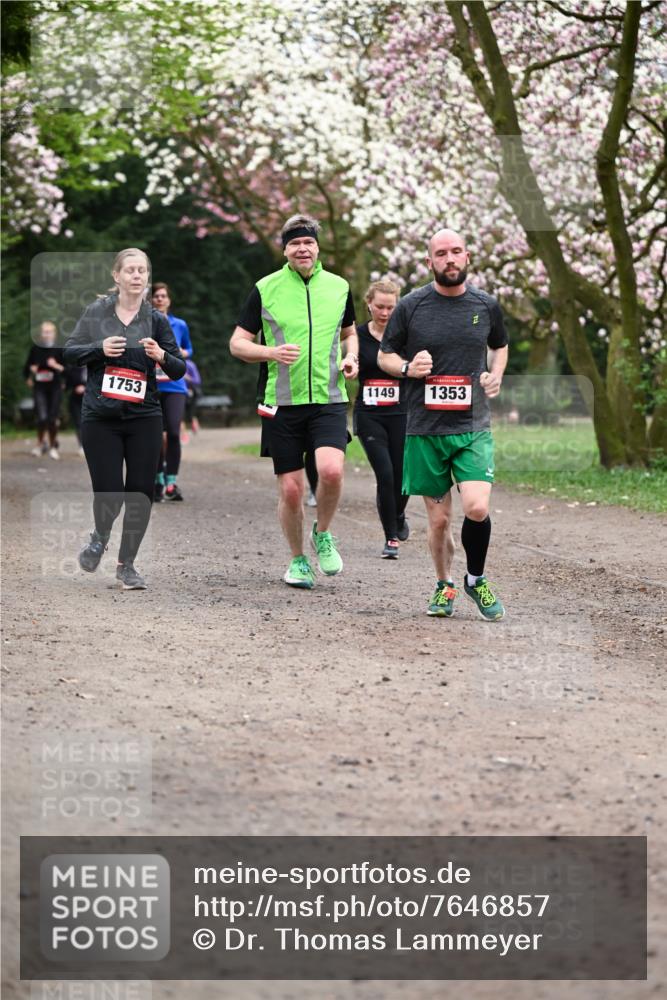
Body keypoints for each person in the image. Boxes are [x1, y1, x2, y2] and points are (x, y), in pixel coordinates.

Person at [379, 228, 508, 620]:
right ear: (430, 261)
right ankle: (444, 584)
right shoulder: (412, 305)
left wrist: (495, 374)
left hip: (472, 427)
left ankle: (475, 578)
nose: (449, 259)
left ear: (467, 256)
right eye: (441, 253)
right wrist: (406, 367)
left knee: (477, 508)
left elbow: (499, 345)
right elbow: (385, 355)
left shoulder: (486, 305)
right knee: (438, 521)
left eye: (456, 252)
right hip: (425, 430)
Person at [230, 213, 358, 589]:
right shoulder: (265, 288)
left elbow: (350, 334)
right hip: (281, 402)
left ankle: (324, 532)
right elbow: (237, 343)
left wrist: (351, 358)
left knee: (332, 471)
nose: (302, 249)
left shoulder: (339, 287)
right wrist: (270, 353)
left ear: (317, 247)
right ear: (285, 249)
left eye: (308, 243)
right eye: (295, 243)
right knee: (291, 488)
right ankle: (298, 560)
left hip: (329, 397)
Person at [64, 248, 186, 590]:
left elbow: (179, 368)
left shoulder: (157, 320)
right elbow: (70, 354)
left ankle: (126, 564)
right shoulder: (96, 313)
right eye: (130, 270)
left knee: (141, 493)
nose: (136, 275)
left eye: (142, 270)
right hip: (100, 417)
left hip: (144, 416)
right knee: (110, 493)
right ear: (116, 276)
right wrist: (99, 349)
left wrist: (161, 355)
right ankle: (99, 536)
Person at [354, 279, 411, 558]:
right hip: (369, 415)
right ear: (368, 304)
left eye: (391, 307)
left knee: (402, 477)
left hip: (402, 414)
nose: (385, 313)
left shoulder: (405, 336)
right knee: (385, 474)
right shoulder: (356, 335)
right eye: (380, 306)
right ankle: (391, 539)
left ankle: (398, 514)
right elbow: (348, 360)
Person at [150, 282, 193, 501]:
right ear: (151, 300)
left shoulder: (180, 324)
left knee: (174, 433)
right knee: (155, 435)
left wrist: (182, 353)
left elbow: (190, 348)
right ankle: (157, 480)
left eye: (163, 296)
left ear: (169, 300)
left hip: (175, 385)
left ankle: (171, 482)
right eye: (156, 296)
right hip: (152, 385)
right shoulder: (145, 324)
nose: (159, 299)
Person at [24, 321, 64, 459]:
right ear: (41, 334)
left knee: (52, 419)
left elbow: (69, 370)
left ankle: (53, 446)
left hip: (55, 387)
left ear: (54, 334)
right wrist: (30, 374)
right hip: (39, 387)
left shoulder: (59, 349)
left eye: (49, 332)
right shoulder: (36, 348)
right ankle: (40, 444)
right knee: (41, 418)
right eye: (44, 332)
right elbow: (27, 366)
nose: (46, 334)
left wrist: (57, 366)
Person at [64, 360, 86, 454]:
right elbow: (67, 384)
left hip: (92, 400)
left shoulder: (98, 367)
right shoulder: (73, 368)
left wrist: (86, 387)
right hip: (76, 400)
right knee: (79, 423)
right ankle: (81, 445)